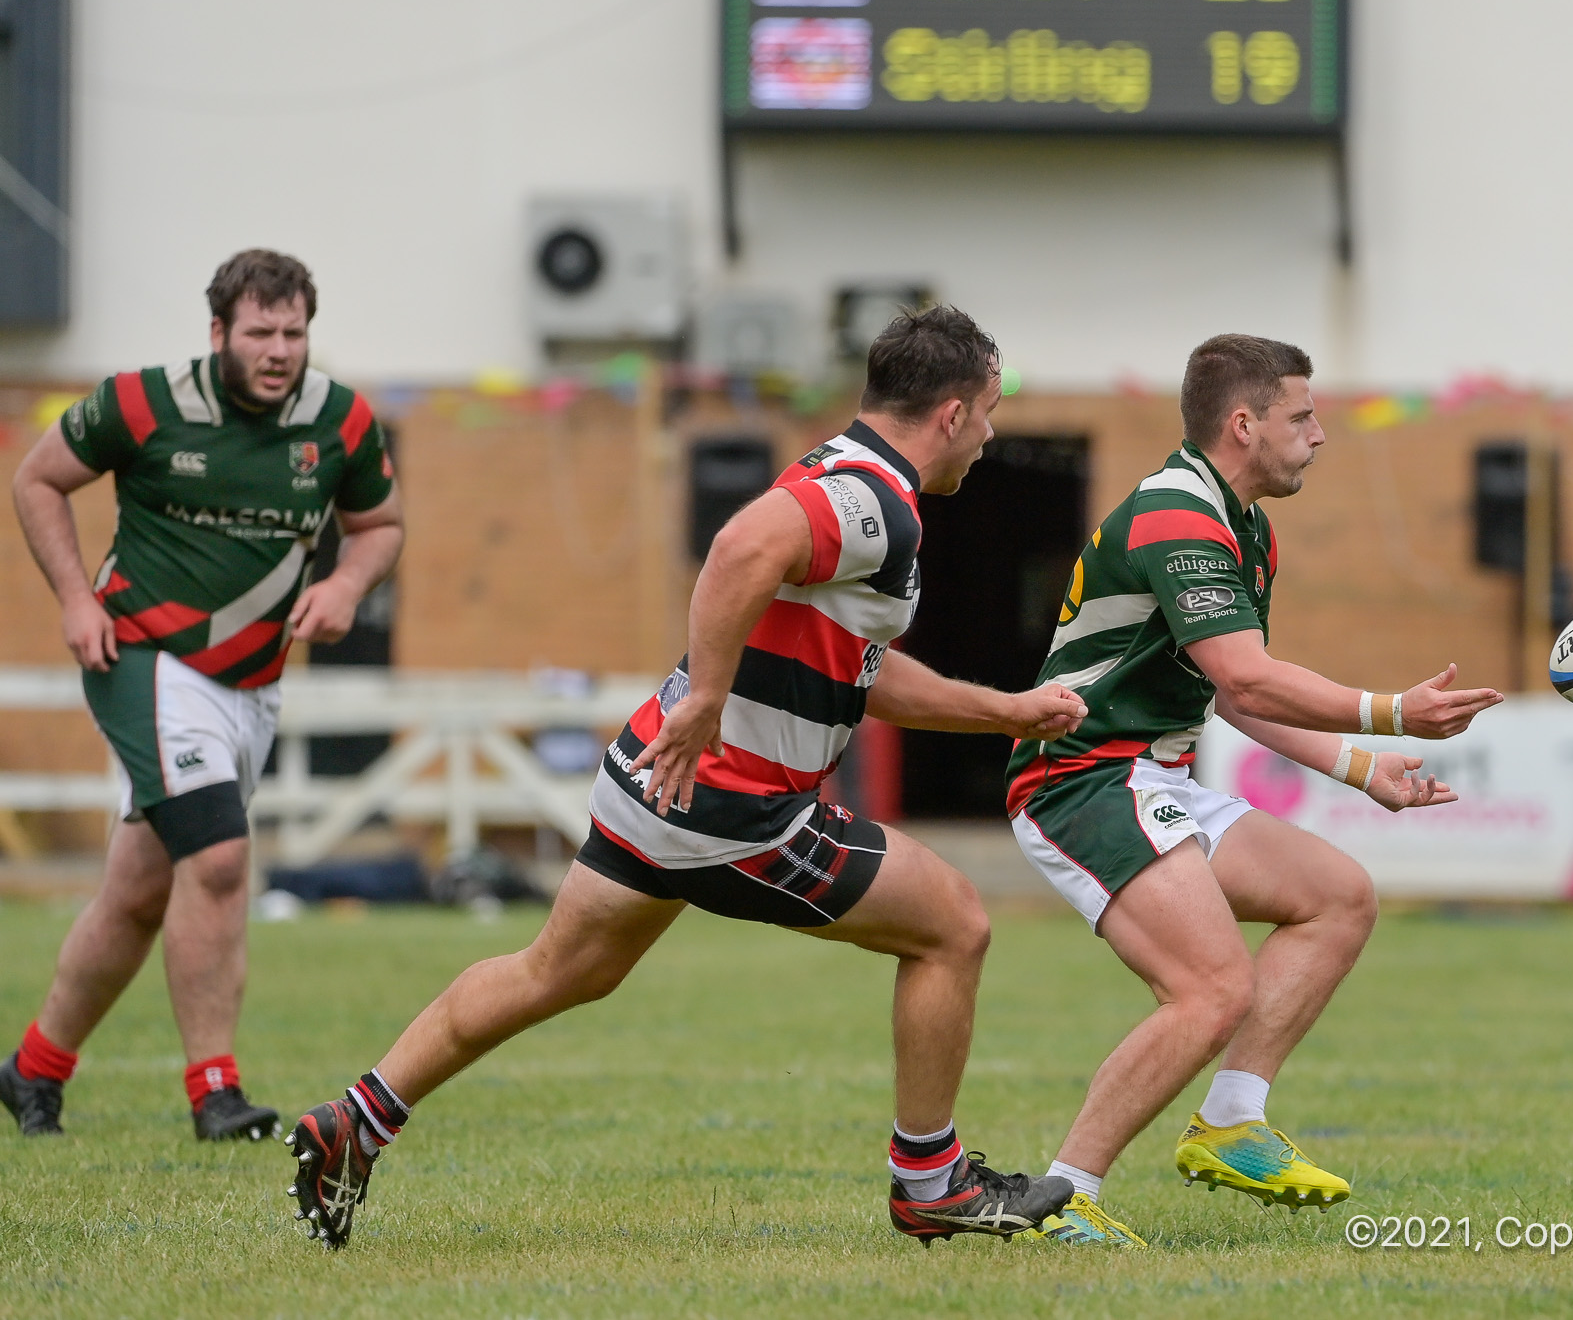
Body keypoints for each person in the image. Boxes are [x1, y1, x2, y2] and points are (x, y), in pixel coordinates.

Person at [286, 308, 1082, 1249]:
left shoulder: (843, 470)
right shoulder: (880, 500)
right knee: (954, 924)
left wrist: (1007, 711)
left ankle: (357, 1120)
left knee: (558, 970)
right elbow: (740, 549)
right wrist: (706, 695)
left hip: (653, 783)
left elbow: (860, 670)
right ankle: (931, 1182)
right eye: (987, 413)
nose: (988, 436)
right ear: (950, 414)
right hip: (733, 809)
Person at [1004, 334, 1502, 1245]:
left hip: (1149, 773)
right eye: (1301, 416)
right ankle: (1062, 1198)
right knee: (1211, 987)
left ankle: (1231, 1119)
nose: (1320, 434)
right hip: (1080, 776)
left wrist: (1363, 769)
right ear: (1244, 424)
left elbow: (1234, 691)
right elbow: (1249, 678)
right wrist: (1393, 712)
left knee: (1338, 896)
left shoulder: (1246, 527)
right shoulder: (1176, 514)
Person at [3, 250, 403, 1141]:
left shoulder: (339, 419)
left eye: (293, 332)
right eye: (260, 332)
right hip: (142, 657)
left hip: (252, 683)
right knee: (219, 859)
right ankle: (215, 1089)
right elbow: (37, 479)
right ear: (218, 331)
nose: (279, 350)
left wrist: (346, 584)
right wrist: (74, 598)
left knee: (138, 892)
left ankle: (34, 1068)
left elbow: (380, 524)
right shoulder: (142, 402)